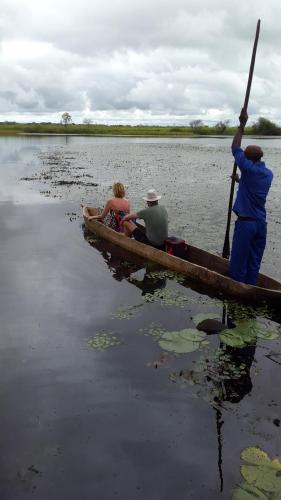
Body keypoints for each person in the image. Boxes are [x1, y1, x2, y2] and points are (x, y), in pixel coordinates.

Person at [229, 108, 273, 285]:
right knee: (254, 262)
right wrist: (241, 181)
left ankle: (237, 292)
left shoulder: (247, 168)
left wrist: (241, 125)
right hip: (261, 224)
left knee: (238, 263)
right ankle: (251, 286)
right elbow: (254, 189)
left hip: (246, 224)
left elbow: (235, 148)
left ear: (247, 160)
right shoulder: (268, 174)